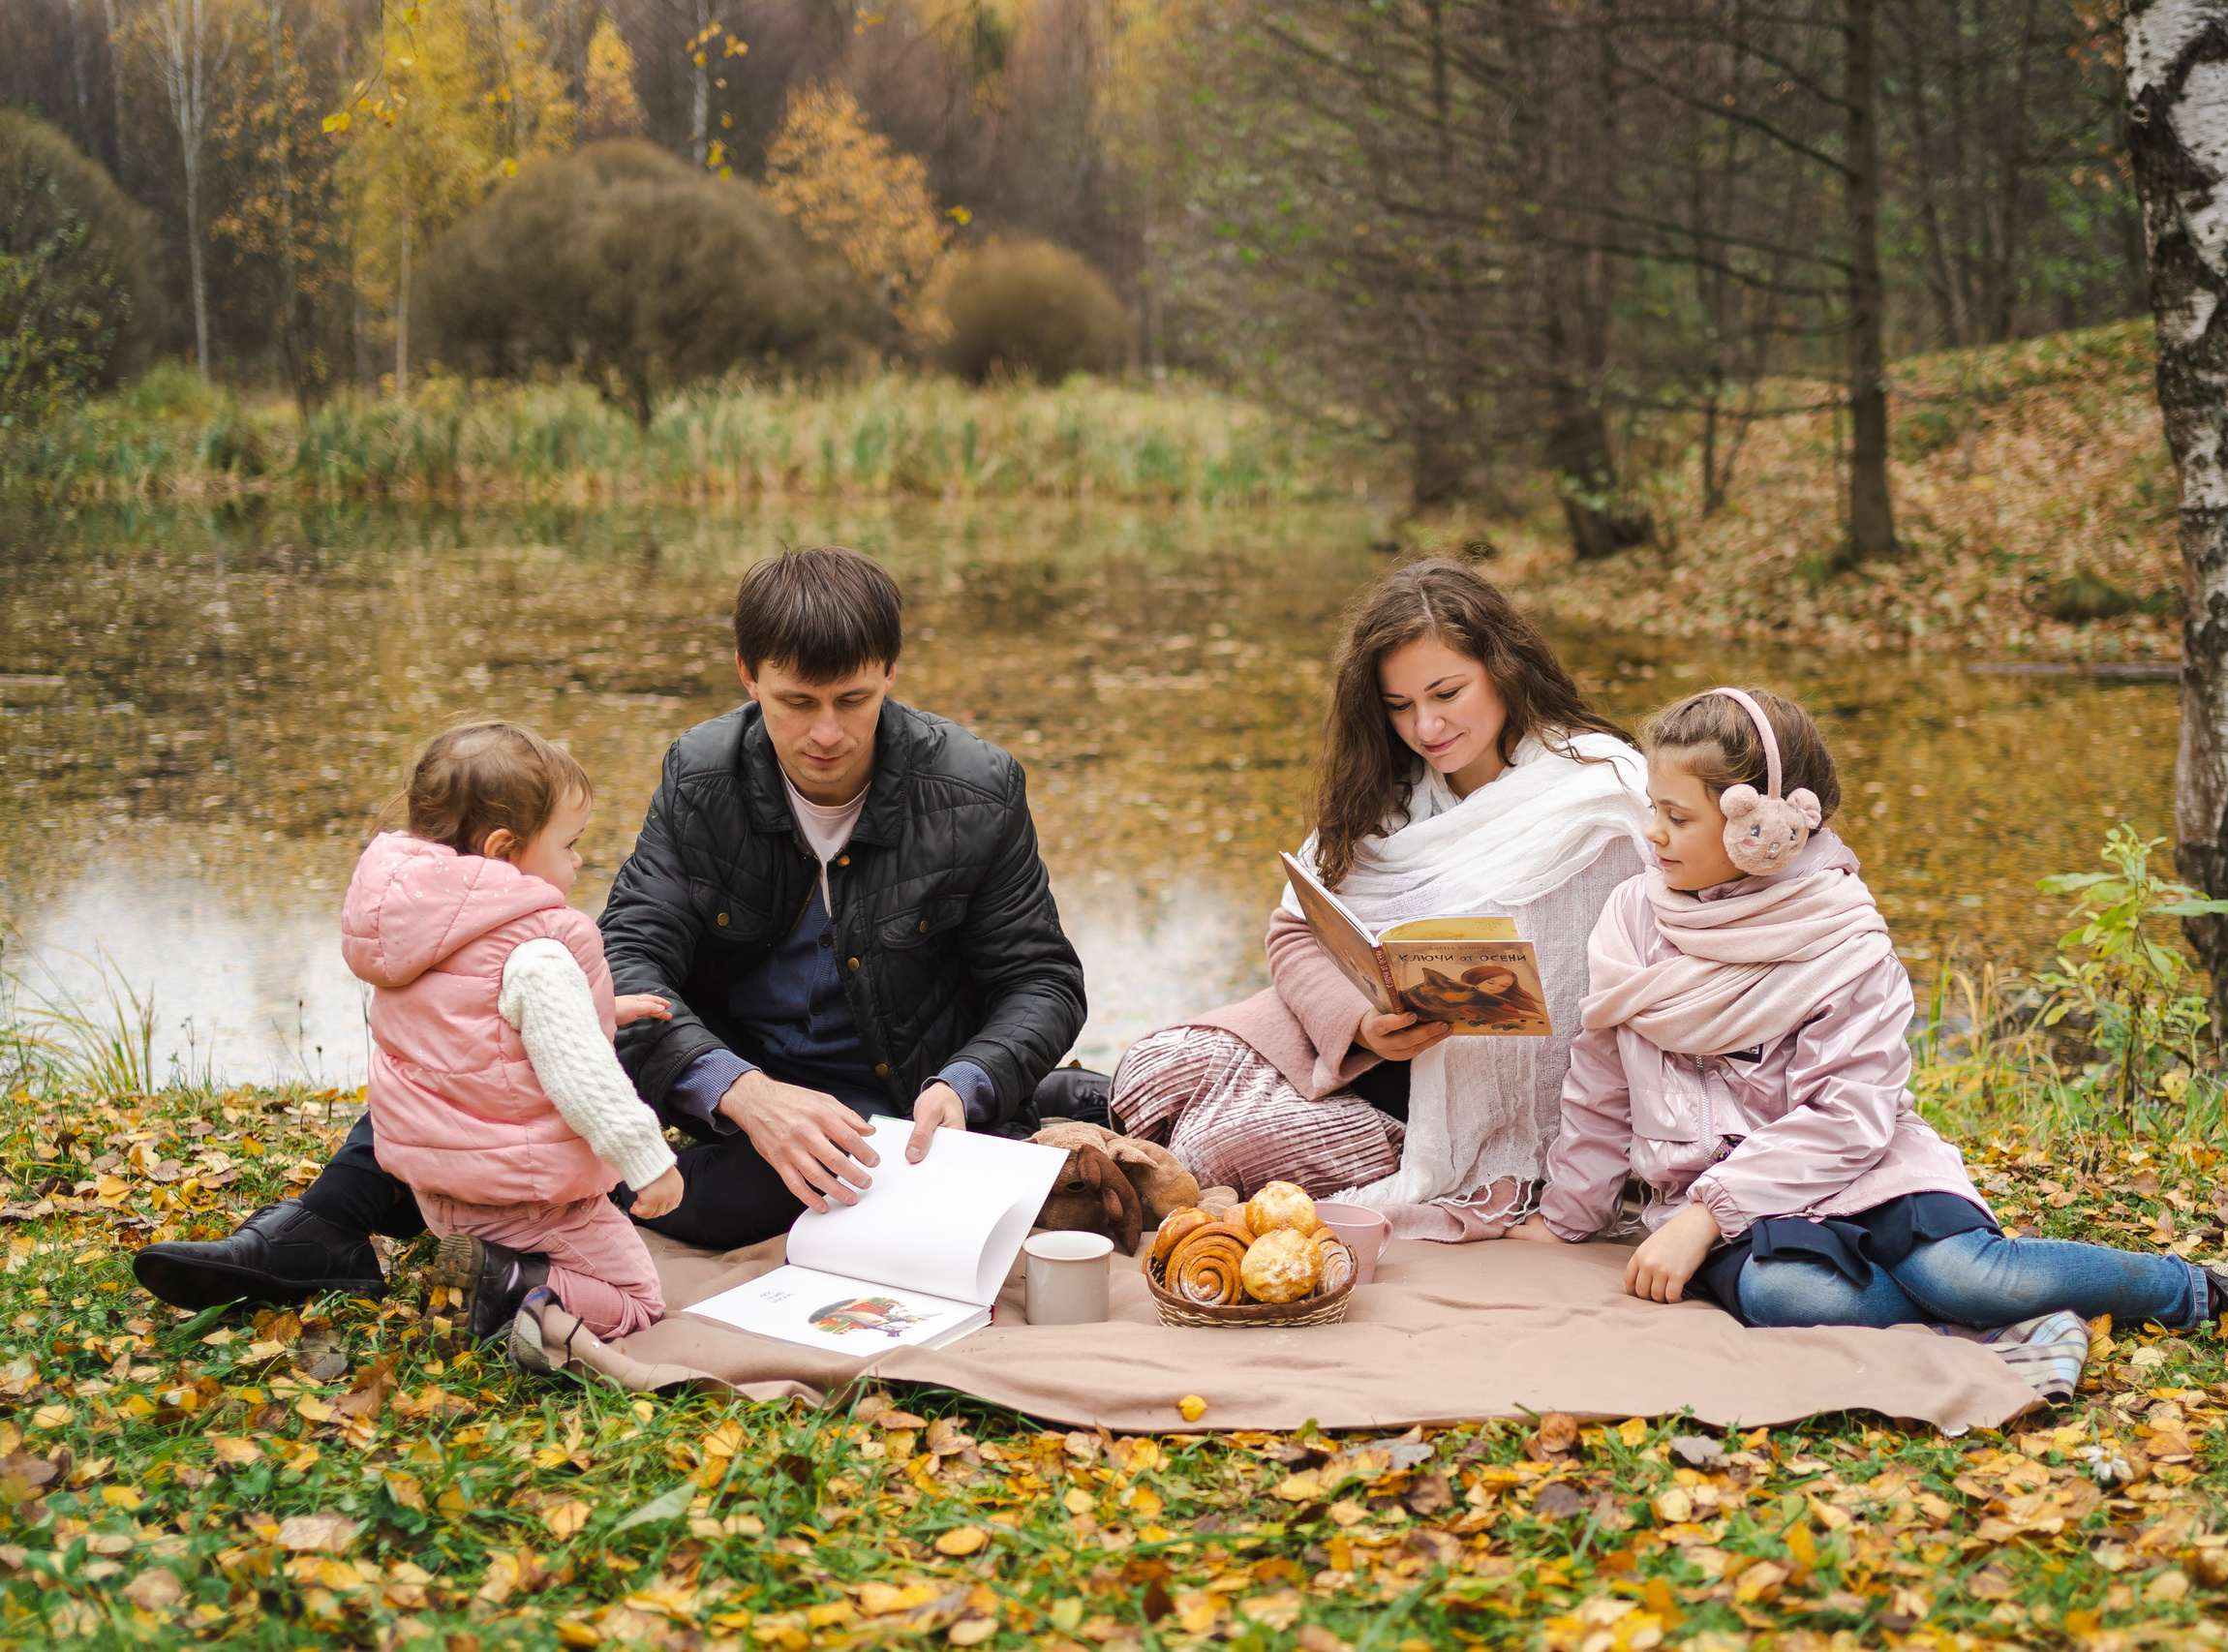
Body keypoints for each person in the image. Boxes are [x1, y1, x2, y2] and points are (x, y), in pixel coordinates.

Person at [134, 547, 1093, 1311]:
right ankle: (323, 1227)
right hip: (711, 1067)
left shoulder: (976, 785)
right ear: (747, 674)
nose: (828, 733)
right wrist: (741, 1087)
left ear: (890, 672)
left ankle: (517, 1220)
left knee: (715, 1207)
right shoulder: (704, 771)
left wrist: (962, 1086)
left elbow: (1042, 980)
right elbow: (630, 947)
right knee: (489, 1046)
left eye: (854, 700)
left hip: (878, 1100)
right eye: (797, 702)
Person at [1510, 685, 2228, 1351]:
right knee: (1791, 1298)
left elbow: (1850, 1117)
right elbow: (1601, 1085)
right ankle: (1997, 1323)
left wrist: (1703, 1216)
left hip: (1855, 1171)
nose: (1654, 837)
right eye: (1652, 815)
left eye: (1675, 817)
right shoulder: (1636, 914)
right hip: (1733, 1203)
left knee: (1964, 1274)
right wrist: (1570, 1216)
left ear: (1757, 827)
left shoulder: (1841, 936)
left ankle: (2209, 1292)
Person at [1112, 559, 1650, 1240]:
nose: (1426, 727)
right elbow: (1293, 930)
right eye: (1399, 707)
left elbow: (1640, 984)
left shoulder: (1601, 797)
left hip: (1455, 1112)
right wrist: (1360, 1024)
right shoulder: (1391, 795)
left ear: (1504, 668)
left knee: (1219, 1150)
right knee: (1148, 1072)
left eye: (1447, 693)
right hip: (1353, 1047)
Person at [342, 721, 681, 1356]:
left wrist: (599, 1006)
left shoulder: (416, 930)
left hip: (440, 1190)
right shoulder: (536, 950)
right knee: (637, 1298)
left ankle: (480, 1272)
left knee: (506, 1247)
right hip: (524, 1194)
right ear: (503, 850)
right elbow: (581, 1074)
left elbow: (481, 1020)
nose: (579, 861)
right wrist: (648, 1161)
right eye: (570, 844)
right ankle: (507, 1282)